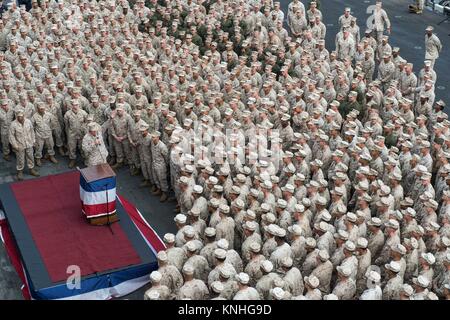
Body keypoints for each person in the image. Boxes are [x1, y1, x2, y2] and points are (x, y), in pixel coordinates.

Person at [9, 108, 39, 180]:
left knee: (30, 157)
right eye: (18, 116)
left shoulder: (28, 122)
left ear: (24, 115)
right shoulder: (13, 124)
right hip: (20, 145)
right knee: (20, 159)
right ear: (16, 116)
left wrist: (33, 141)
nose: (20, 118)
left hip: (29, 143)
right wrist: (15, 145)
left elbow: (32, 131)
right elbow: (11, 136)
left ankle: (31, 169)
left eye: (21, 116)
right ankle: (20, 171)